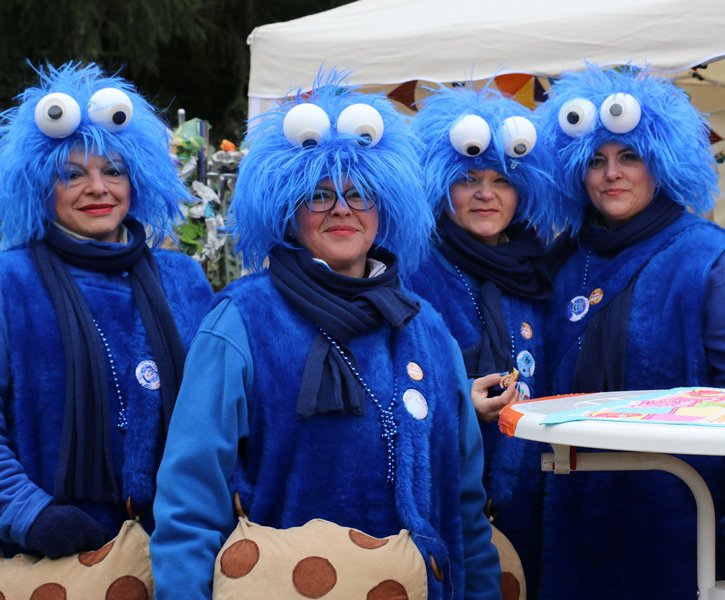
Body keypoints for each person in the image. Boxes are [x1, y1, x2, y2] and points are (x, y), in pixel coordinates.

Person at [150, 73, 502, 599]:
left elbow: (466, 503)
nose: (342, 209)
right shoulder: (243, 319)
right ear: (288, 212)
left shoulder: (425, 324)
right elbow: (190, 500)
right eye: (318, 195)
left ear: (384, 209)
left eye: (360, 194)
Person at [0, 62, 212, 559]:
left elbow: (222, 417)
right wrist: (29, 513)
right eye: (72, 174)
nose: (98, 188)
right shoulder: (10, 282)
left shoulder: (183, 278)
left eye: (113, 170)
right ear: (39, 187)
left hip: (176, 555)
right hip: (50, 561)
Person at [537, 64, 725, 599]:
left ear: (660, 163)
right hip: (572, 517)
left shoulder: (708, 257)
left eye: (629, 157)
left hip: (678, 517)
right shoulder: (565, 259)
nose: (611, 174)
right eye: (596, 161)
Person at [408, 84, 563, 597]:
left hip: (536, 505)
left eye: (501, 180)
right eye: (468, 179)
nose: (485, 193)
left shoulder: (540, 267)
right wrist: (459, 403)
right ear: (440, 185)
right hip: (445, 507)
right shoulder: (412, 270)